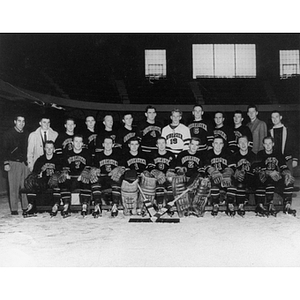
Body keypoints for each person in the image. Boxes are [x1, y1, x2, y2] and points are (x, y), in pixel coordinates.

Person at [254, 136, 296, 216]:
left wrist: (286, 173)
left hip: (276, 176)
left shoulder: (278, 154)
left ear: (273, 144)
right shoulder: (260, 154)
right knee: (268, 179)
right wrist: (269, 172)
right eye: (266, 144)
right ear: (263, 145)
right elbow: (258, 168)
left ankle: (287, 205)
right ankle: (270, 204)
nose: (268, 145)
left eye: (270, 143)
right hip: (264, 178)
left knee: (289, 179)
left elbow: (283, 166)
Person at [23, 141, 61, 217]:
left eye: (51, 148)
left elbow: (62, 171)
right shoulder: (40, 159)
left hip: (55, 181)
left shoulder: (58, 159)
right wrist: (36, 175)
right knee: (31, 182)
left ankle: (56, 205)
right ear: (44, 149)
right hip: (43, 181)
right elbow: (35, 173)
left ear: (54, 149)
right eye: (47, 148)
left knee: (56, 182)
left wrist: (57, 175)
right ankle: (31, 205)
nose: (49, 150)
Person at [59, 134, 93, 217]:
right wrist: (65, 173)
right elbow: (64, 166)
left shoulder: (87, 153)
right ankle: (66, 205)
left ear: (82, 143)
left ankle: (84, 205)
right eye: (76, 141)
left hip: (82, 178)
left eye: (80, 142)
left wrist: (84, 174)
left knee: (86, 181)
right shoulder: (67, 153)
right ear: (72, 143)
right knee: (63, 182)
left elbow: (90, 166)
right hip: (71, 178)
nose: (78, 144)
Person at [3, 114, 30, 215]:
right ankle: (14, 209)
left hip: (24, 163)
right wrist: (6, 162)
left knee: (25, 186)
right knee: (13, 186)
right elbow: (3, 150)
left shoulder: (27, 134)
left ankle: (25, 206)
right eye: (19, 121)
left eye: (23, 121)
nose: (21, 123)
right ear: (15, 122)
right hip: (13, 162)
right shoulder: (8, 134)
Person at [204, 136, 236, 216]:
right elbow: (205, 166)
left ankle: (230, 204)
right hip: (214, 177)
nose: (218, 145)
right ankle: (215, 204)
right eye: (216, 143)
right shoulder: (208, 153)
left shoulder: (228, 153)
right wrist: (213, 172)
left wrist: (227, 173)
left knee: (232, 182)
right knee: (214, 183)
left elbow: (232, 166)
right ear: (213, 144)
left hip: (225, 176)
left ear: (223, 145)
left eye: (220, 143)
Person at [92, 137, 123, 217]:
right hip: (102, 178)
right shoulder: (98, 155)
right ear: (103, 145)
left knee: (117, 179)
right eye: (106, 143)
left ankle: (115, 205)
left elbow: (123, 167)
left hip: (113, 178)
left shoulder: (118, 155)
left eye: (110, 143)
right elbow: (94, 168)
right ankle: (97, 205)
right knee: (95, 181)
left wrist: (119, 169)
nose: (108, 145)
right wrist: (95, 170)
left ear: (113, 145)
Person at [231, 135, 256, 216]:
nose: (243, 144)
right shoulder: (234, 156)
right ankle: (240, 204)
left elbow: (255, 171)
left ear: (248, 143)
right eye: (240, 142)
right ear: (238, 145)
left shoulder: (253, 156)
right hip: (239, 181)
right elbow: (232, 170)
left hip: (250, 180)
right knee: (239, 180)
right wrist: (236, 173)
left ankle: (245, 199)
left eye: (245, 142)